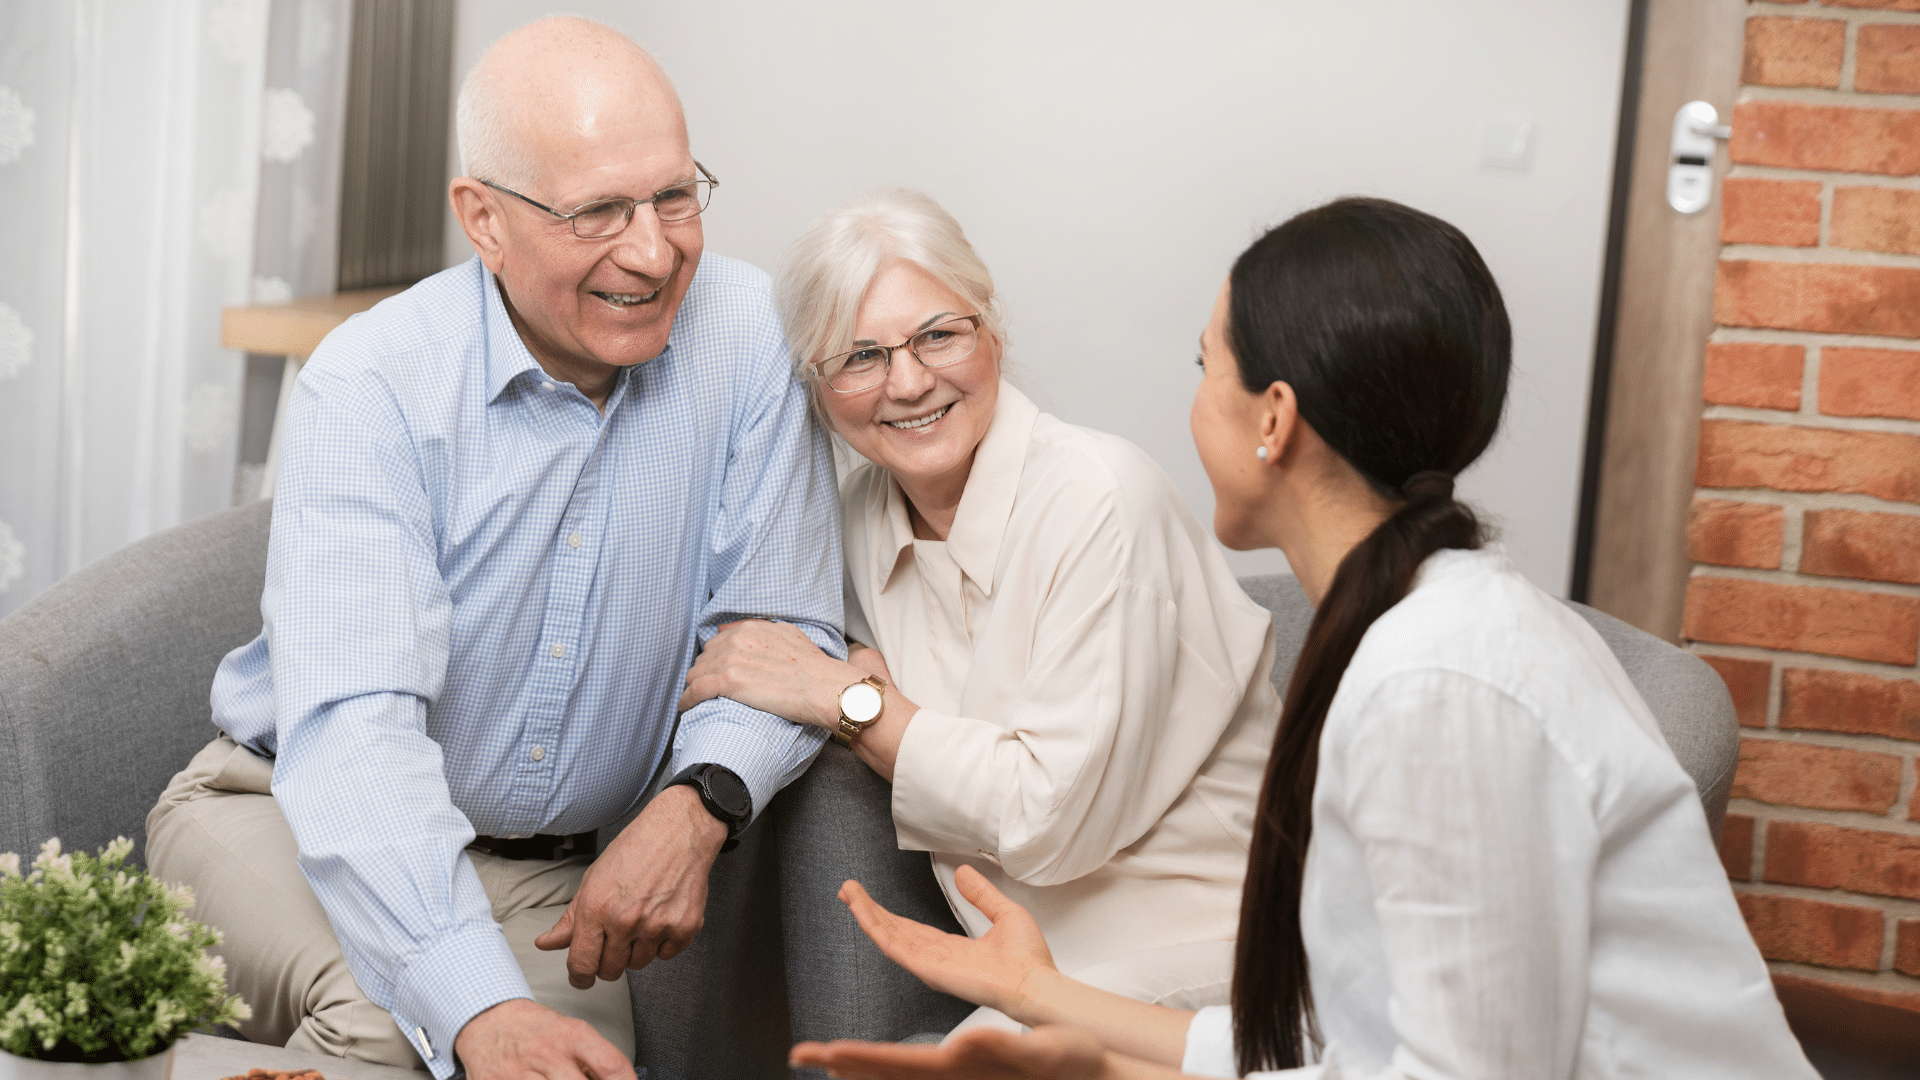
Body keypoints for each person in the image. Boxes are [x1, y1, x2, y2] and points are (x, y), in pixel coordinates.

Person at [786, 197, 1820, 1079]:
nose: (1188, 408)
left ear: (1272, 420)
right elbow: (1349, 1041)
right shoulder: (1411, 630)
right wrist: (1063, 1015)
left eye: (1205, 368)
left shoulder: (1443, 684)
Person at [144, 18, 953, 1080]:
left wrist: (697, 802)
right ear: (483, 218)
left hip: (548, 880)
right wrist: (475, 1004)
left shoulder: (753, 335)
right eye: (598, 212)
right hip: (279, 818)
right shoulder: (369, 385)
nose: (654, 251)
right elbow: (355, 742)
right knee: (399, 1025)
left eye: (675, 196)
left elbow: (776, 630)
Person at [678, 189, 1283, 1033]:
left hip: (1210, 961)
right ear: (816, 390)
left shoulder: (1100, 498)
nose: (909, 381)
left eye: (938, 334)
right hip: (1028, 974)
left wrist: (849, 701)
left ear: (990, 329)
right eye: (859, 357)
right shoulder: (853, 521)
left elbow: (1048, 820)